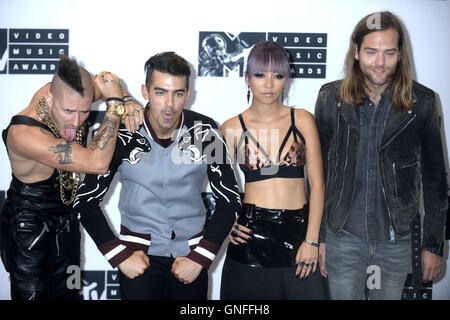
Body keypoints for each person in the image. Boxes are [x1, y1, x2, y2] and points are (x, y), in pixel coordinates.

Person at [73, 51, 241, 300]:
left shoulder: (205, 131)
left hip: (191, 259)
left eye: (178, 93)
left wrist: (200, 257)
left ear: (189, 93)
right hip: (137, 261)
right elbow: (84, 201)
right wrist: (119, 255)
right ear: (145, 91)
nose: (169, 104)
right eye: (160, 92)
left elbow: (230, 200)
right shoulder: (122, 134)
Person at [315, 11, 448, 300]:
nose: (379, 62)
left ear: (401, 54)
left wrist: (433, 245)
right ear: (356, 52)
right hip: (342, 239)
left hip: (396, 242)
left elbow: (436, 178)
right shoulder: (330, 98)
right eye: (371, 52)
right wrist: (319, 238)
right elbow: (319, 175)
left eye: (389, 53)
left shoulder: (422, 102)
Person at [0, 54, 139, 300]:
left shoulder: (71, 92)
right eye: (68, 111)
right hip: (29, 233)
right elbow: (96, 163)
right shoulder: (24, 134)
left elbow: (108, 82)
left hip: (68, 225)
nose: (75, 121)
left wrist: (127, 99)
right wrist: (116, 104)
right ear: (50, 97)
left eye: (85, 111)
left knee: (71, 295)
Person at [220, 41, 325, 300]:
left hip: (299, 236)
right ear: (247, 78)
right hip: (249, 239)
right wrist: (227, 222)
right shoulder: (230, 128)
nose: (269, 84)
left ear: (286, 79)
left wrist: (311, 240)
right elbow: (214, 185)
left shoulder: (302, 119)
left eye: (277, 76)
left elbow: (318, 185)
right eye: (259, 75)